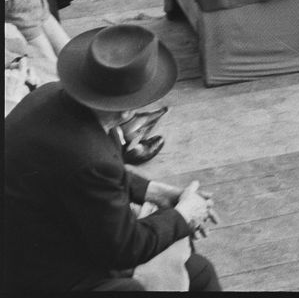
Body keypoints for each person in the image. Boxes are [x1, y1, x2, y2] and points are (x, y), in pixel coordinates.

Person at [4, 24, 221, 291]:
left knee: (197, 271)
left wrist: (153, 192)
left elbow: (81, 171)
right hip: (39, 276)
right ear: (126, 112)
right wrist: (183, 215)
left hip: (25, 244)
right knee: (187, 275)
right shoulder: (91, 157)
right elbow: (125, 249)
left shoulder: (48, 95)